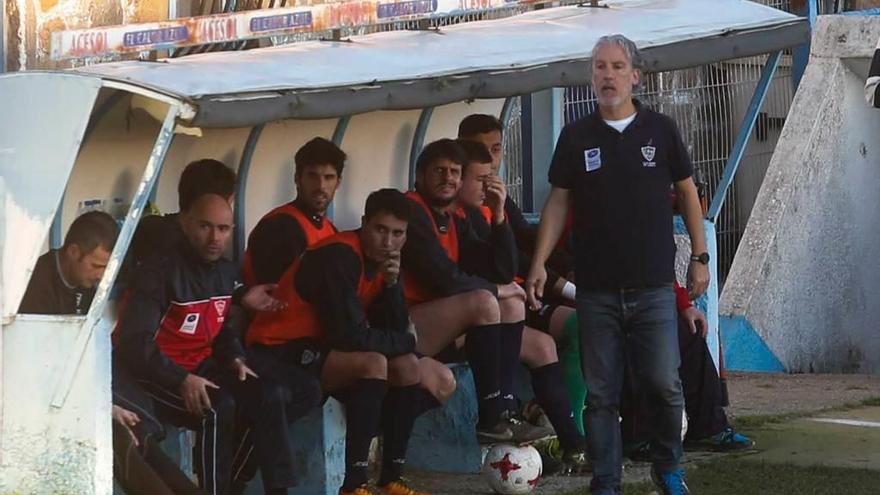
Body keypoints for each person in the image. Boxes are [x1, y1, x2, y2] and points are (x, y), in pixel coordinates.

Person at [526, 34, 710, 495]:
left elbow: (687, 193)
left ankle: (668, 466)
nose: (607, 75)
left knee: (664, 385)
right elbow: (558, 203)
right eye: (599, 67)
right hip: (597, 291)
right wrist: (539, 262)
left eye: (615, 66)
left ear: (635, 75)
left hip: (653, 288)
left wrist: (700, 257)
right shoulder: (576, 136)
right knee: (601, 394)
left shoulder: (661, 130)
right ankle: (606, 481)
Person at [246, 189, 455, 495]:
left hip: (320, 350)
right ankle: (354, 485)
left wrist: (394, 286)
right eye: (380, 230)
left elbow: (390, 326)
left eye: (398, 234)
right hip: (276, 350)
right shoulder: (340, 256)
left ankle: (391, 478)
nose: (387, 242)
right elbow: (348, 336)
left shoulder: (385, 263)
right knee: (372, 362)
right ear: (364, 223)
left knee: (410, 368)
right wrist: (406, 342)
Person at [116, 190, 319, 495]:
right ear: (185, 223)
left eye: (223, 229)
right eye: (205, 226)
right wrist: (181, 378)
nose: (215, 237)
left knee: (270, 394)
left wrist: (236, 358)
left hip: (201, 366)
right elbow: (135, 343)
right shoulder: (158, 272)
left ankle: (272, 489)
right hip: (155, 374)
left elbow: (221, 329)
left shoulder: (226, 271)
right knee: (218, 406)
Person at [400, 139, 549, 444]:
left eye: (454, 172)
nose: (447, 178)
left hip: (440, 327)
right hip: (404, 328)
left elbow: (501, 270)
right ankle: (490, 416)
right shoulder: (410, 210)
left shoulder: (453, 218)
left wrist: (498, 217)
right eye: (438, 171)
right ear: (420, 177)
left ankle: (504, 411)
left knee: (512, 306)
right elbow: (442, 279)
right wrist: (497, 289)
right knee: (486, 301)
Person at [454, 140, 588, 474]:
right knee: (514, 309)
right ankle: (506, 418)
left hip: (500, 309)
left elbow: (516, 253)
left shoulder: (489, 208)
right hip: (464, 319)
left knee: (542, 345)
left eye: (492, 175)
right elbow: (487, 270)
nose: (489, 185)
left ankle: (574, 446)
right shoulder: (453, 216)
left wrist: (499, 215)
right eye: (480, 178)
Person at [242, 137, 343, 286]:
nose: (321, 186)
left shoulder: (330, 229)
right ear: (297, 179)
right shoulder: (279, 226)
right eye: (312, 176)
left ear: (338, 183)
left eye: (328, 178)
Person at [19, 210, 118, 315]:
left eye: (106, 267)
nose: (101, 275)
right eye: (96, 266)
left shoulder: (86, 281)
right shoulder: (36, 284)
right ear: (73, 252)